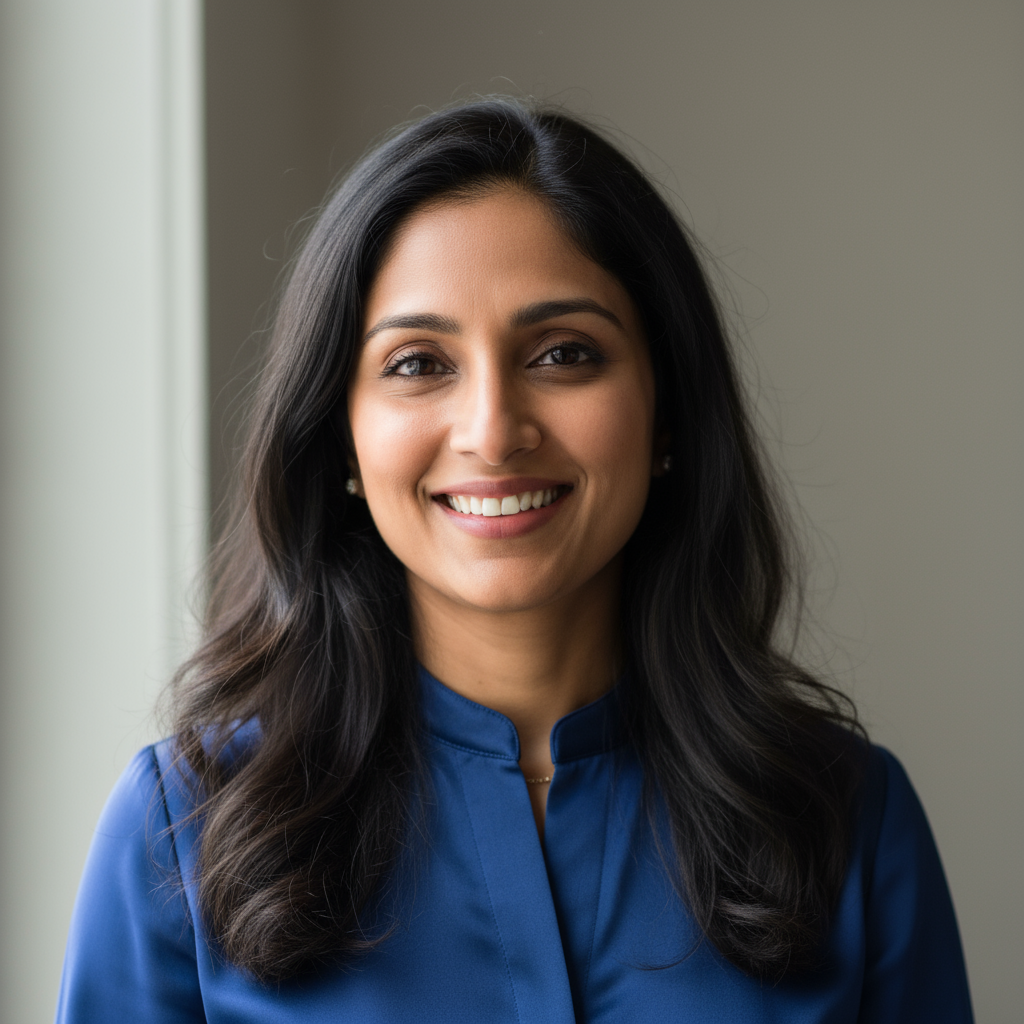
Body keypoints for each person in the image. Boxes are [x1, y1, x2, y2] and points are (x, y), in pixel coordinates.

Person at [56, 99, 973, 1023]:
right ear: (339, 437)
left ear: (667, 416)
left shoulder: (851, 823)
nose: (493, 432)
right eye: (418, 363)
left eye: (564, 353)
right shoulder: (179, 836)